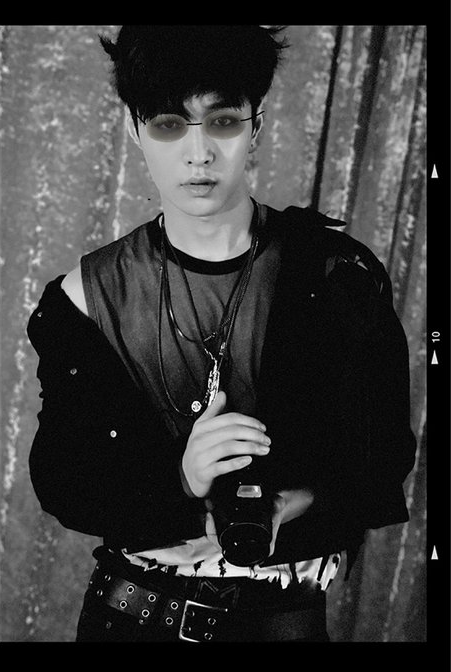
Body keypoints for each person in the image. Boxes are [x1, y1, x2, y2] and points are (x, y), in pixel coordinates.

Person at [27, 25, 416, 643]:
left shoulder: (337, 274)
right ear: (135, 128)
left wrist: (294, 500)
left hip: (287, 623)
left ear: (256, 126)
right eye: (168, 124)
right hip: (134, 619)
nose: (199, 153)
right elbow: (62, 482)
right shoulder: (84, 297)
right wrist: (182, 478)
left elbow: (387, 455)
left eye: (223, 121)